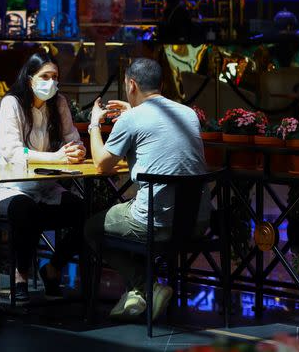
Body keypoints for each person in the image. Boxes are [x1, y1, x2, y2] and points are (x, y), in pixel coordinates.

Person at [84, 58, 211, 322]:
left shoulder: (132, 118)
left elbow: (101, 165)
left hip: (157, 223)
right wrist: (131, 112)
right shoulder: (187, 113)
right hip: (197, 222)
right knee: (128, 217)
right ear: (161, 84)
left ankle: (146, 286)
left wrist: (94, 124)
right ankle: (139, 292)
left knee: (92, 228)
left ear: (131, 84)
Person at [0, 52, 88, 302]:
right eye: (44, 76)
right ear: (30, 78)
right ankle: (20, 276)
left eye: (54, 77)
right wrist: (58, 158)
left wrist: (78, 150)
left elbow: (73, 139)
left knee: (86, 212)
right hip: (9, 188)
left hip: (45, 187)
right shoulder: (12, 103)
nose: (50, 82)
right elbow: (12, 152)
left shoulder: (59, 103)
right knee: (25, 210)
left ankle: (53, 267)